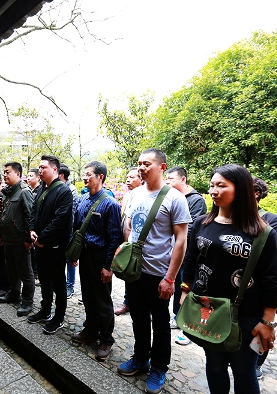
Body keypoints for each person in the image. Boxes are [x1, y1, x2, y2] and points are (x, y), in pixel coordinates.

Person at [180, 164, 277, 394]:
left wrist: (267, 321)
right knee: (214, 366)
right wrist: (185, 291)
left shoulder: (262, 232)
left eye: (221, 185)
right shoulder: (202, 223)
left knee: (244, 372)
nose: (213, 191)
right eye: (212, 185)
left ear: (241, 189)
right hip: (208, 310)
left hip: (245, 316)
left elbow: (271, 280)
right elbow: (191, 259)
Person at [117, 149, 191, 394]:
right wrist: (125, 253)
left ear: (162, 167)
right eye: (139, 163)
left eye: (147, 163)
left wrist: (170, 278)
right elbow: (129, 226)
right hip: (135, 271)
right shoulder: (135, 193)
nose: (141, 167)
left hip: (159, 273)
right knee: (138, 318)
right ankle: (140, 358)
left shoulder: (175, 198)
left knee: (160, 323)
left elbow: (181, 241)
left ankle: (159, 367)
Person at [70, 160, 123, 361]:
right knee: (87, 295)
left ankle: (106, 339)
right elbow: (77, 227)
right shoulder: (83, 199)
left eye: (89, 174)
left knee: (102, 299)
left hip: (100, 257)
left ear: (100, 177)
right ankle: (90, 330)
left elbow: (114, 238)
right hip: (85, 255)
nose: (85, 177)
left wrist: (108, 266)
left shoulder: (110, 204)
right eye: (84, 174)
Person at [28, 155, 73, 334]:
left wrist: (41, 239)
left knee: (58, 282)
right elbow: (33, 211)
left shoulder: (63, 191)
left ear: (54, 169)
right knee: (44, 279)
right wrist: (32, 230)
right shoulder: (41, 188)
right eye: (39, 167)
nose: (40, 170)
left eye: (43, 167)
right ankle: (45, 309)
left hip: (55, 246)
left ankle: (58, 317)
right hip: (39, 243)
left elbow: (60, 220)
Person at [164, 166, 208, 344]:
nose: (167, 182)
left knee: (186, 286)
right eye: (166, 178)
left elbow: (190, 229)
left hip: (189, 253)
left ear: (183, 179)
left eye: (171, 179)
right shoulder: (171, 196)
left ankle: (187, 324)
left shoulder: (196, 200)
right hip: (174, 250)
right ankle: (177, 316)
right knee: (174, 284)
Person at [252, 176, 277, 378]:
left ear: (256, 194)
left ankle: (256, 363)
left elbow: (271, 257)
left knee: (262, 324)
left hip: (260, 282)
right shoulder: (228, 215)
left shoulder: (272, 219)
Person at [0, 162, 35, 317]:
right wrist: (1, 234)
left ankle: (27, 301)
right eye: (4, 172)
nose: (5, 175)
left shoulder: (24, 191)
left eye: (8, 172)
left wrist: (28, 239)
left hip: (20, 240)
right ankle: (14, 293)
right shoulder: (8, 192)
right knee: (11, 269)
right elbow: (5, 215)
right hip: (9, 239)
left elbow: (30, 216)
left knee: (25, 272)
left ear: (18, 174)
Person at [114, 167, 143, 316]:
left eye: (132, 177)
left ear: (141, 179)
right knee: (127, 272)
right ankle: (127, 302)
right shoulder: (128, 196)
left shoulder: (145, 197)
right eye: (127, 177)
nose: (128, 180)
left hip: (139, 245)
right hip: (126, 242)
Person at [58, 163, 79, 299]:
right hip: (59, 231)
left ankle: (70, 285)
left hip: (69, 230)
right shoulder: (56, 188)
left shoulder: (71, 189)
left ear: (61, 175)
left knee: (70, 259)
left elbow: (72, 212)